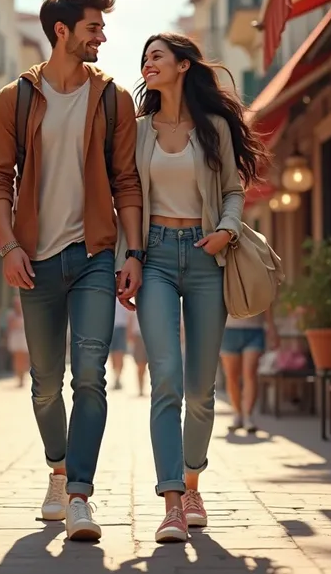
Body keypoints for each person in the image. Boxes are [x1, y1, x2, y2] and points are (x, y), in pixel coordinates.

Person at [0, 0, 143, 541]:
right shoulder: (16, 98)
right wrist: (8, 246)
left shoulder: (114, 98)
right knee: (45, 382)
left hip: (95, 255)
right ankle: (56, 470)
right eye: (94, 27)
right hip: (35, 259)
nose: (102, 36)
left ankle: (79, 494)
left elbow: (127, 180)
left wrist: (133, 253)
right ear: (62, 32)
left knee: (92, 377)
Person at [119, 32, 269, 543]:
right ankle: (171, 503)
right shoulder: (137, 131)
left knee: (202, 389)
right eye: (143, 59)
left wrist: (226, 230)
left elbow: (232, 188)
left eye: (156, 56)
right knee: (166, 378)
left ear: (184, 66)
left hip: (207, 256)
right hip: (156, 256)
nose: (147, 64)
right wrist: (133, 256)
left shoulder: (216, 128)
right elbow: (130, 197)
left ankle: (192, 482)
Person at [221, 310, 279, 433]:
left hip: (255, 329)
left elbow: (266, 302)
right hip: (229, 329)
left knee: (250, 373)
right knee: (232, 376)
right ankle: (238, 414)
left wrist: (271, 326)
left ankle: (248, 416)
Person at [7, 294, 29, 387]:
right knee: (17, 357)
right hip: (15, 336)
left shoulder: (25, 313)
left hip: (23, 336)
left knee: (24, 358)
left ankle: (23, 377)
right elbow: (10, 327)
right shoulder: (11, 314)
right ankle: (18, 376)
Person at [126, 309, 147, 397]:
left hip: (152, 336)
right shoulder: (134, 305)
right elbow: (130, 321)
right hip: (138, 336)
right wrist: (129, 335)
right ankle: (141, 388)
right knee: (140, 366)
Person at [109, 300, 128, 390]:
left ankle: (118, 377)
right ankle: (115, 377)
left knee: (120, 355)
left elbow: (129, 316)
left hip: (121, 328)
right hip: (110, 327)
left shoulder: (125, 297)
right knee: (112, 355)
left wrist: (129, 332)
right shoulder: (108, 297)